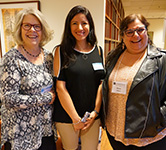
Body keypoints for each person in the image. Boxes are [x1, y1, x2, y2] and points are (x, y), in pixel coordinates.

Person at [101, 14, 166, 150]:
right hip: (115, 133)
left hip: (149, 138)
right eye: (129, 32)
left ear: (147, 31)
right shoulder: (113, 57)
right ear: (123, 36)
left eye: (140, 30)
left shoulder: (161, 60)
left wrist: (159, 120)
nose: (135, 35)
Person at [0, 8, 57, 150]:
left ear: (43, 30)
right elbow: (8, 99)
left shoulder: (49, 57)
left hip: (45, 130)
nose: (32, 30)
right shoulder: (11, 59)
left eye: (37, 26)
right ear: (20, 29)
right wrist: (44, 98)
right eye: (27, 25)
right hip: (21, 133)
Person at [53, 5, 105, 150]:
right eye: (74, 23)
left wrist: (95, 111)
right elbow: (60, 87)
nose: (80, 28)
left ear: (90, 25)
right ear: (69, 26)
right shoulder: (61, 51)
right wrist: (75, 118)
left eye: (84, 23)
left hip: (91, 117)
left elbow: (101, 84)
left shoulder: (98, 51)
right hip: (67, 116)